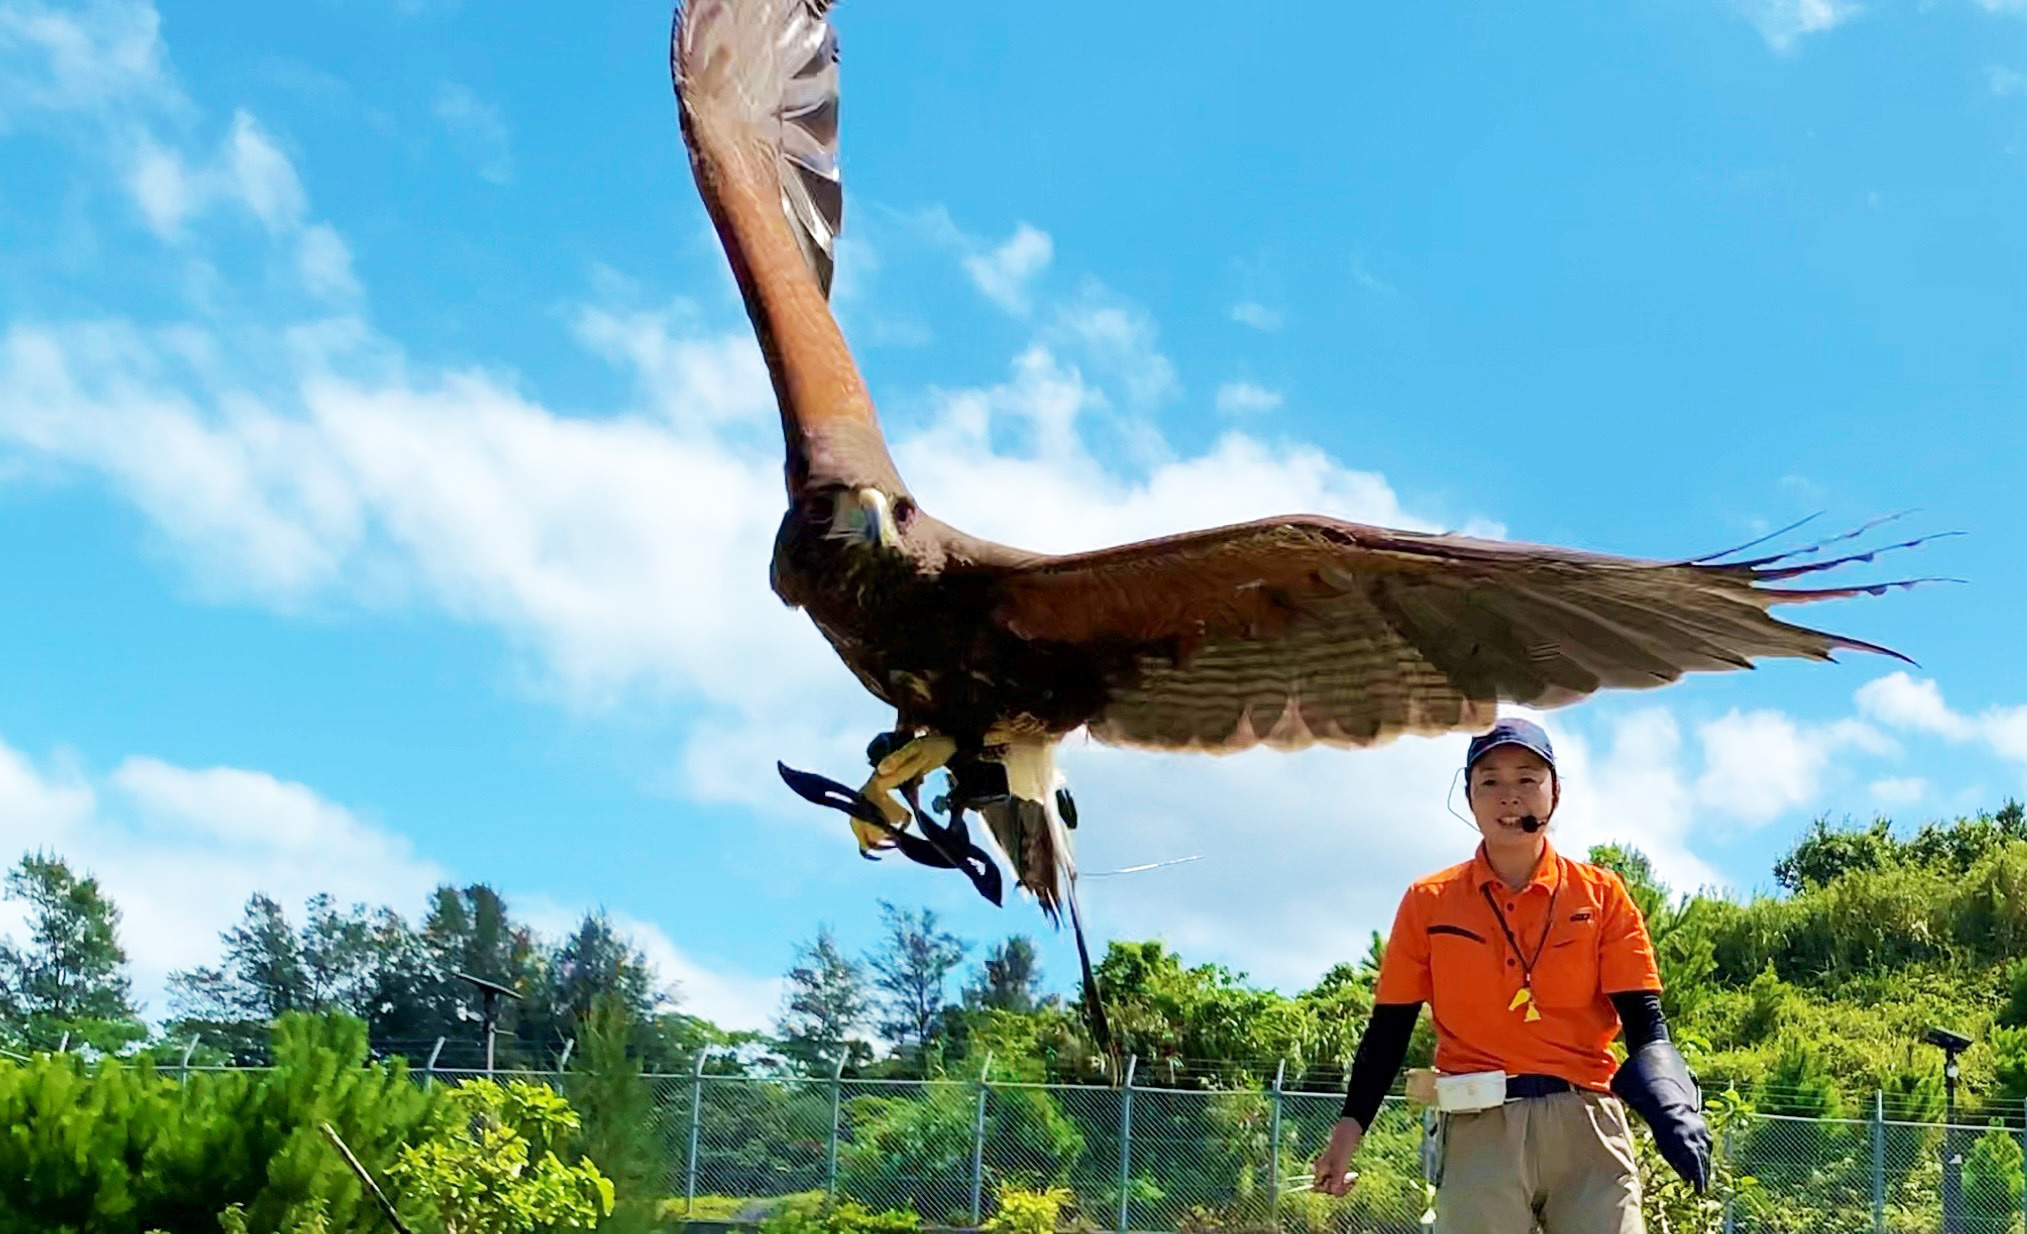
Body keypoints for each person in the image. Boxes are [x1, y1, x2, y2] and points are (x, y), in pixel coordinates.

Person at [1309, 717, 1710, 1233]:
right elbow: (1388, 1032)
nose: (1509, 797)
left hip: (1587, 1122)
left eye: (1527, 778)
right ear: (1469, 798)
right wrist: (1348, 1132)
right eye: (1490, 782)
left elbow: (1644, 1021)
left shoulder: (1602, 896)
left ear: (1554, 793)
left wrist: (1673, 1106)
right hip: (1481, 1127)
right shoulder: (1428, 903)